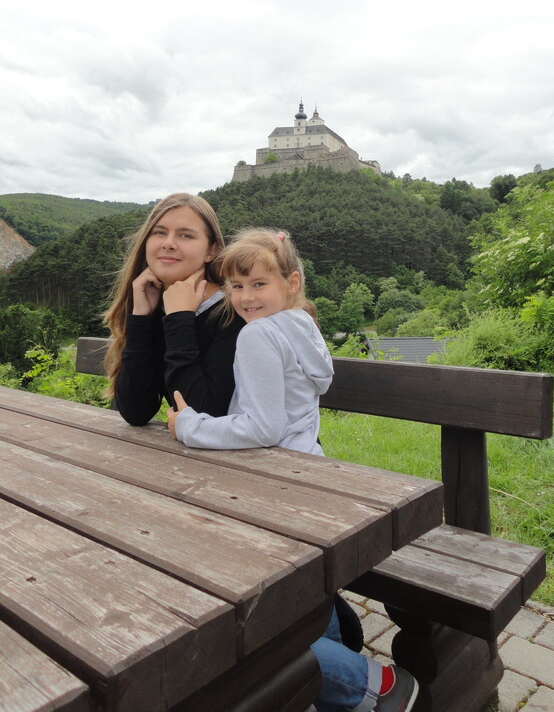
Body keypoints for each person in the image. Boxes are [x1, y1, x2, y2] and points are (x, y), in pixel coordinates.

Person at [167, 227, 419, 712]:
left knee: (257, 617)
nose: (244, 298)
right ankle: (340, 657)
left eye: (258, 285)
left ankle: (373, 685)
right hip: (310, 474)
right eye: (235, 287)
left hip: (277, 484)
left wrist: (190, 425)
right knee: (300, 594)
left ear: (291, 281)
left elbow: (260, 427)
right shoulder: (301, 324)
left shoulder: (259, 335)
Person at [103, 192, 243, 426]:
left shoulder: (233, 314)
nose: (168, 243)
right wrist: (141, 318)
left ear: (212, 251)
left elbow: (204, 419)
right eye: (159, 232)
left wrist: (180, 319)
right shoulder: (158, 309)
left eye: (185, 235)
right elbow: (136, 411)